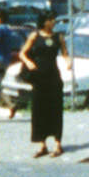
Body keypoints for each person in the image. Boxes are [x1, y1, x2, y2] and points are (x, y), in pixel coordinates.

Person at [19, 11, 65, 157]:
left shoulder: (59, 37)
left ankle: (58, 144)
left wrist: (69, 62)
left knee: (55, 109)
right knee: (39, 110)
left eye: (54, 20)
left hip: (53, 76)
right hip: (39, 77)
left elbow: (65, 52)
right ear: (44, 21)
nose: (53, 22)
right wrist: (28, 62)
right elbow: (22, 53)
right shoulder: (34, 36)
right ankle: (42, 145)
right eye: (50, 20)